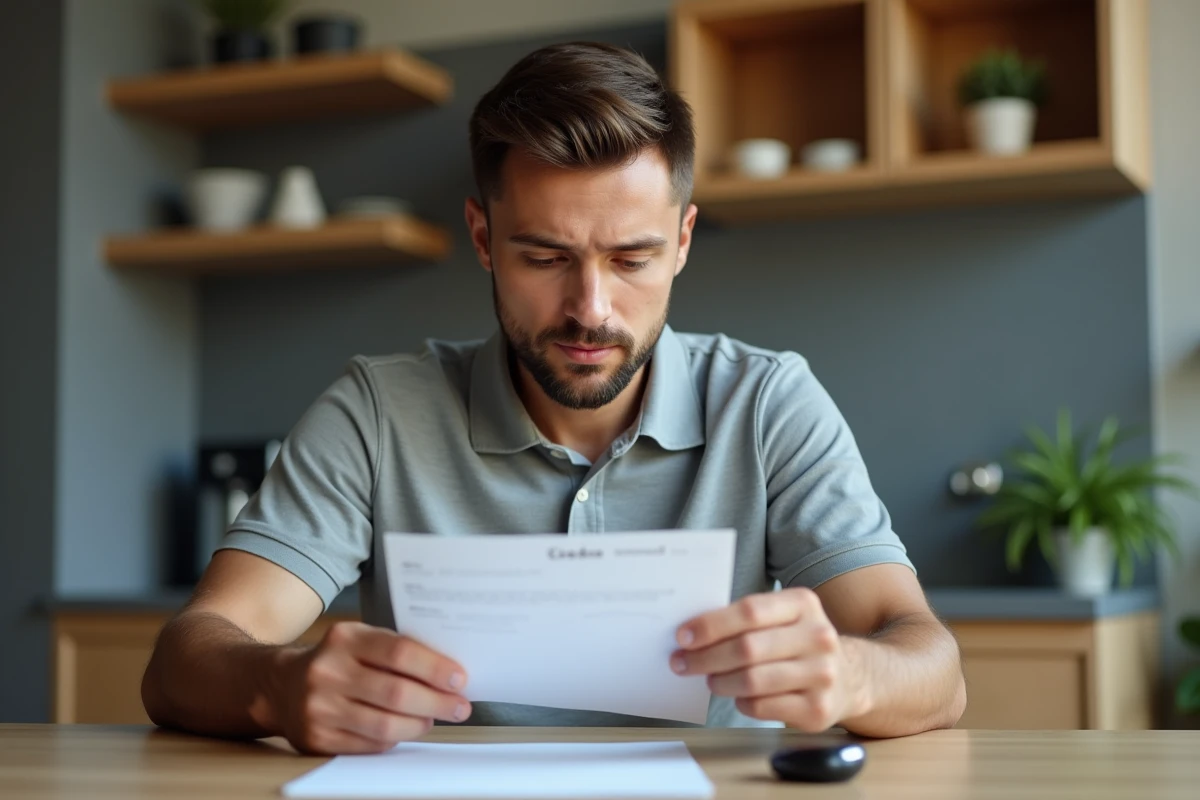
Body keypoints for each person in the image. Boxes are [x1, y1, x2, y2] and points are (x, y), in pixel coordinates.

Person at [142, 41, 966, 755]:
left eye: (632, 259)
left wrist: (854, 674)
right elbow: (186, 657)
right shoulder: (377, 411)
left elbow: (932, 665)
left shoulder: (767, 402)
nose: (590, 310)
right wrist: (278, 685)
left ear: (682, 242)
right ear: (482, 239)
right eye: (544, 257)